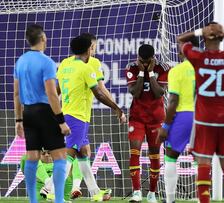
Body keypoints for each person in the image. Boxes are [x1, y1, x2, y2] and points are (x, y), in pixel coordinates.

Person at [55, 35, 125, 201]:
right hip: (78, 116)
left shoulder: (65, 64)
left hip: (68, 112)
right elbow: (99, 93)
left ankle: (95, 193)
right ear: (89, 49)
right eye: (93, 47)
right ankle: (53, 191)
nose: (94, 50)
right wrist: (117, 108)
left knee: (83, 152)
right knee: (69, 155)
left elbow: (57, 89)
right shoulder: (86, 68)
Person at [177, 22, 224, 203]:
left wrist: (200, 31)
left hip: (205, 121)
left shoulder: (198, 57)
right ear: (222, 38)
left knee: (203, 163)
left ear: (204, 38)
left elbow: (180, 39)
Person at [13, 24, 71, 203]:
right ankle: (59, 200)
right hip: (46, 112)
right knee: (61, 156)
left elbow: (16, 93)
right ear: (43, 38)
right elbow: (52, 94)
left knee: (32, 157)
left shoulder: (20, 61)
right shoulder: (46, 62)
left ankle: (33, 201)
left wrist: (18, 119)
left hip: (28, 112)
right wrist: (61, 120)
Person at [157, 37, 199, 203]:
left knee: (171, 157)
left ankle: (170, 200)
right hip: (204, 117)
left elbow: (173, 100)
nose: (177, 50)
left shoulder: (177, 71)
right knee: (200, 159)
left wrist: (165, 126)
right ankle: (201, 199)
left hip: (183, 116)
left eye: (179, 46)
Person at [126, 44, 169, 203]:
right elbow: (136, 93)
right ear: (138, 57)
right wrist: (142, 72)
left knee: (155, 155)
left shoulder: (162, 68)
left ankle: (152, 193)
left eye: (147, 61)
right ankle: (137, 192)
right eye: (141, 61)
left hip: (156, 119)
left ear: (153, 58)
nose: (143, 63)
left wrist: (150, 72)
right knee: (134, 152)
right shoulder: (131, 67)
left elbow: (159, 93)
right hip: (137, 118)